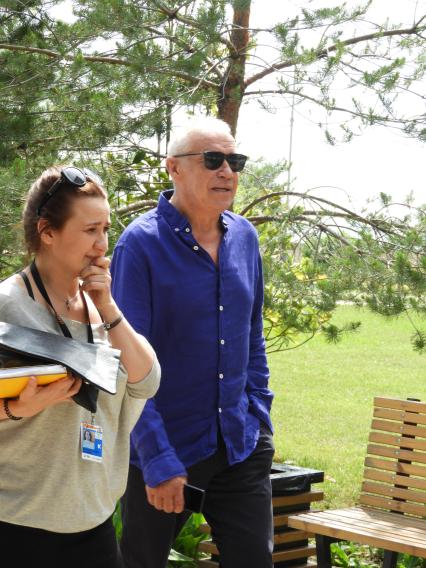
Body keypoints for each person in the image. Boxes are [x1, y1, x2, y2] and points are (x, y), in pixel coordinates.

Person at [111, 117, 274, 568]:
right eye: (213, 159)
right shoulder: (139, 246)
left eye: (235, 161)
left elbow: (252, 336)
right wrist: (156, 456)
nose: (226, 171)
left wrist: (260, 415)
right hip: (167, 449)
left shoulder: (245, 238)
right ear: (174, 168)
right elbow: (124, 363)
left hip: (240, 444)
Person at [0, 165, 161, 568]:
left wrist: (107, 306)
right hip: (16, 528)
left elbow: (147, 381)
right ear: (47, 232)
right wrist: (16, 408)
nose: (101, 244)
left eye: (105, 229)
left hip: (95, 527)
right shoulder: (7, 306)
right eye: (90, 230)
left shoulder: (102, 308)